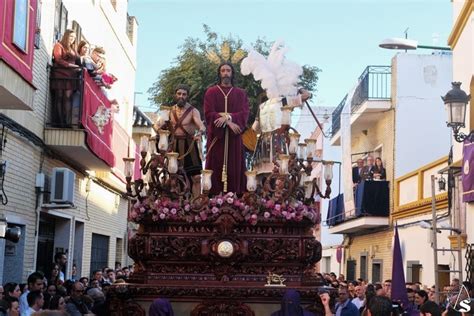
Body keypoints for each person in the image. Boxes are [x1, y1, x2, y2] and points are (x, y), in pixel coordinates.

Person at [204, 62, 249, 195]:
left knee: (234, 168)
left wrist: (228, 117)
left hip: (234, 139)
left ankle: (236, 198)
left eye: (228, 70)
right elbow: (208, 113)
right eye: (223, 70)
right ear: (219, 73)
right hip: (217, 138)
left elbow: (244, 113)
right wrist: (229, 122)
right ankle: (214, 198)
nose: (225, 73)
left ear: (232, 73)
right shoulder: (211, 92)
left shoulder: (240, 94)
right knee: (215, 167)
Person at [164, 84, 206, 197]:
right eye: (179, 94)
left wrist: (200, 133)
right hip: (174, 146)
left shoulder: (193, 111)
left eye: (184, 94)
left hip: (190, 146)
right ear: (175, 95)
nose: (181, 96)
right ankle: (177, 204)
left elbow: (201, 126)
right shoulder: (169, 111)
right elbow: (158, 125)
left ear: (187, 96)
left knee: (196, 177)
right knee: (174, 177)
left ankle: (197, 203)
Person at [50, 29, 81, 127]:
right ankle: (60, 121)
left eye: (74, 38)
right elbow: (58, 59)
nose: (72, 39)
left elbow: (77, 61)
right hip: (60, 74)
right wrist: (70, 65)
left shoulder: (73, 49)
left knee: (68, 97)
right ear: (66, 36)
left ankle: (67, 121)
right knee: (59, 96)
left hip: (71, 76)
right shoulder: (59, 45)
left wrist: (76, 67)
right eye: (71, 37)